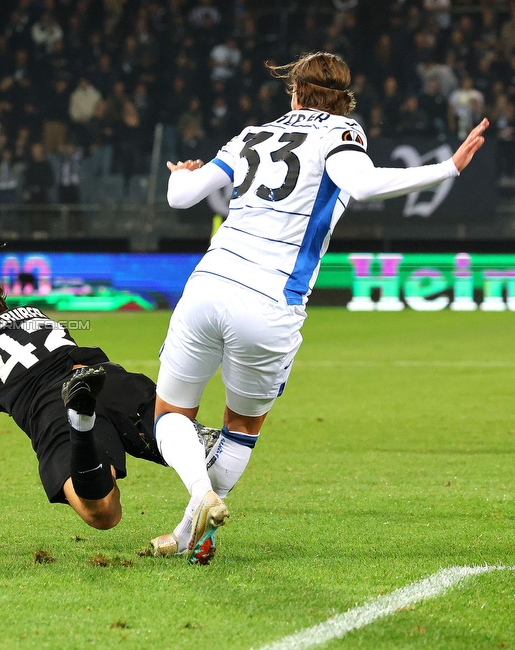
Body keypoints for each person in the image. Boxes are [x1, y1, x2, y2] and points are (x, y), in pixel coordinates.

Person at [152, 51, 488, 565]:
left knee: (170, 414)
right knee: (241, 428)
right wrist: (448, 167)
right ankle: (201, 506)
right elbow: (363, 184)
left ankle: (190, 518)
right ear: (343, 97)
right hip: (269, 302)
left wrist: (179, 173)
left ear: (294, 91)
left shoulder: (250, 136)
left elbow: (182, 197)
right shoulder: (343, 133)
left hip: (208, 285)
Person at [0, 275, 221, 532]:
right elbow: (33, 359)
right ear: (2, 305)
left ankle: (81, 427)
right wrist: (5, 396)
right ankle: (196, 442)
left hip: (55, 409)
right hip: (107, 379)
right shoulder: (33, 313)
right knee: (201, 451)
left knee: (104, 513)